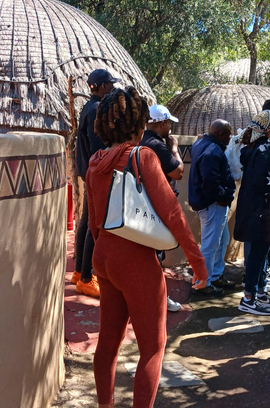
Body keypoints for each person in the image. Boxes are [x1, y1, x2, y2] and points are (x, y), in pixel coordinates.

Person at [86, 87, 208, 408]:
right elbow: (172, 214)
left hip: (105, 258)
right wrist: (198, 264)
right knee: (153, 348)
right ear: (138, 123)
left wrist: (106, 259)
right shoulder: (143, 156)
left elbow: (94, 222)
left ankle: (105, 405)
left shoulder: (94, 161)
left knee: (108, 344)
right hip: (137, 261)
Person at [73, 68, 119, 297]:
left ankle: (78, 271)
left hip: (87, 171)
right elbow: (98, 147)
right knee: (94, 224)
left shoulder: (87, 108)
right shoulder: (97, 110)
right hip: (97, 173)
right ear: (102, 87)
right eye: (110, 84)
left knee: (86, 221)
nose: (112, 88)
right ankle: (86, 278)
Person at [233, 110, 270, 316]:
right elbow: (262, 180)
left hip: (253, 211)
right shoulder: (265, 150)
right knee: (256, 256)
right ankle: (248, 298)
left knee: (260, 254)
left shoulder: (253, 149)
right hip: (261, 212)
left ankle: (260, 294)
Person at [140, 104, 185, 312]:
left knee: (148, 254)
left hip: (145, 203)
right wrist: (174, 149)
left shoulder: (141, 140)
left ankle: (147, 297)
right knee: (156, 254)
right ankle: (159, 299)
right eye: (168, 123)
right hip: (158, 205)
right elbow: (178, 172)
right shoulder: (158, 145)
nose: (170, 128)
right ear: (162, 123)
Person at [188, 119, 237, 296]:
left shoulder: (202, 143)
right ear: (221, 135)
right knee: (210, 244)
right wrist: (224, 196)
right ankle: (203, 282)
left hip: (209, 203)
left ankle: (215, 275)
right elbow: (210, 183)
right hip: (212, 204)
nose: (230, 138)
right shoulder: (212, 150)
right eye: (229, 135)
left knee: (221, 241)